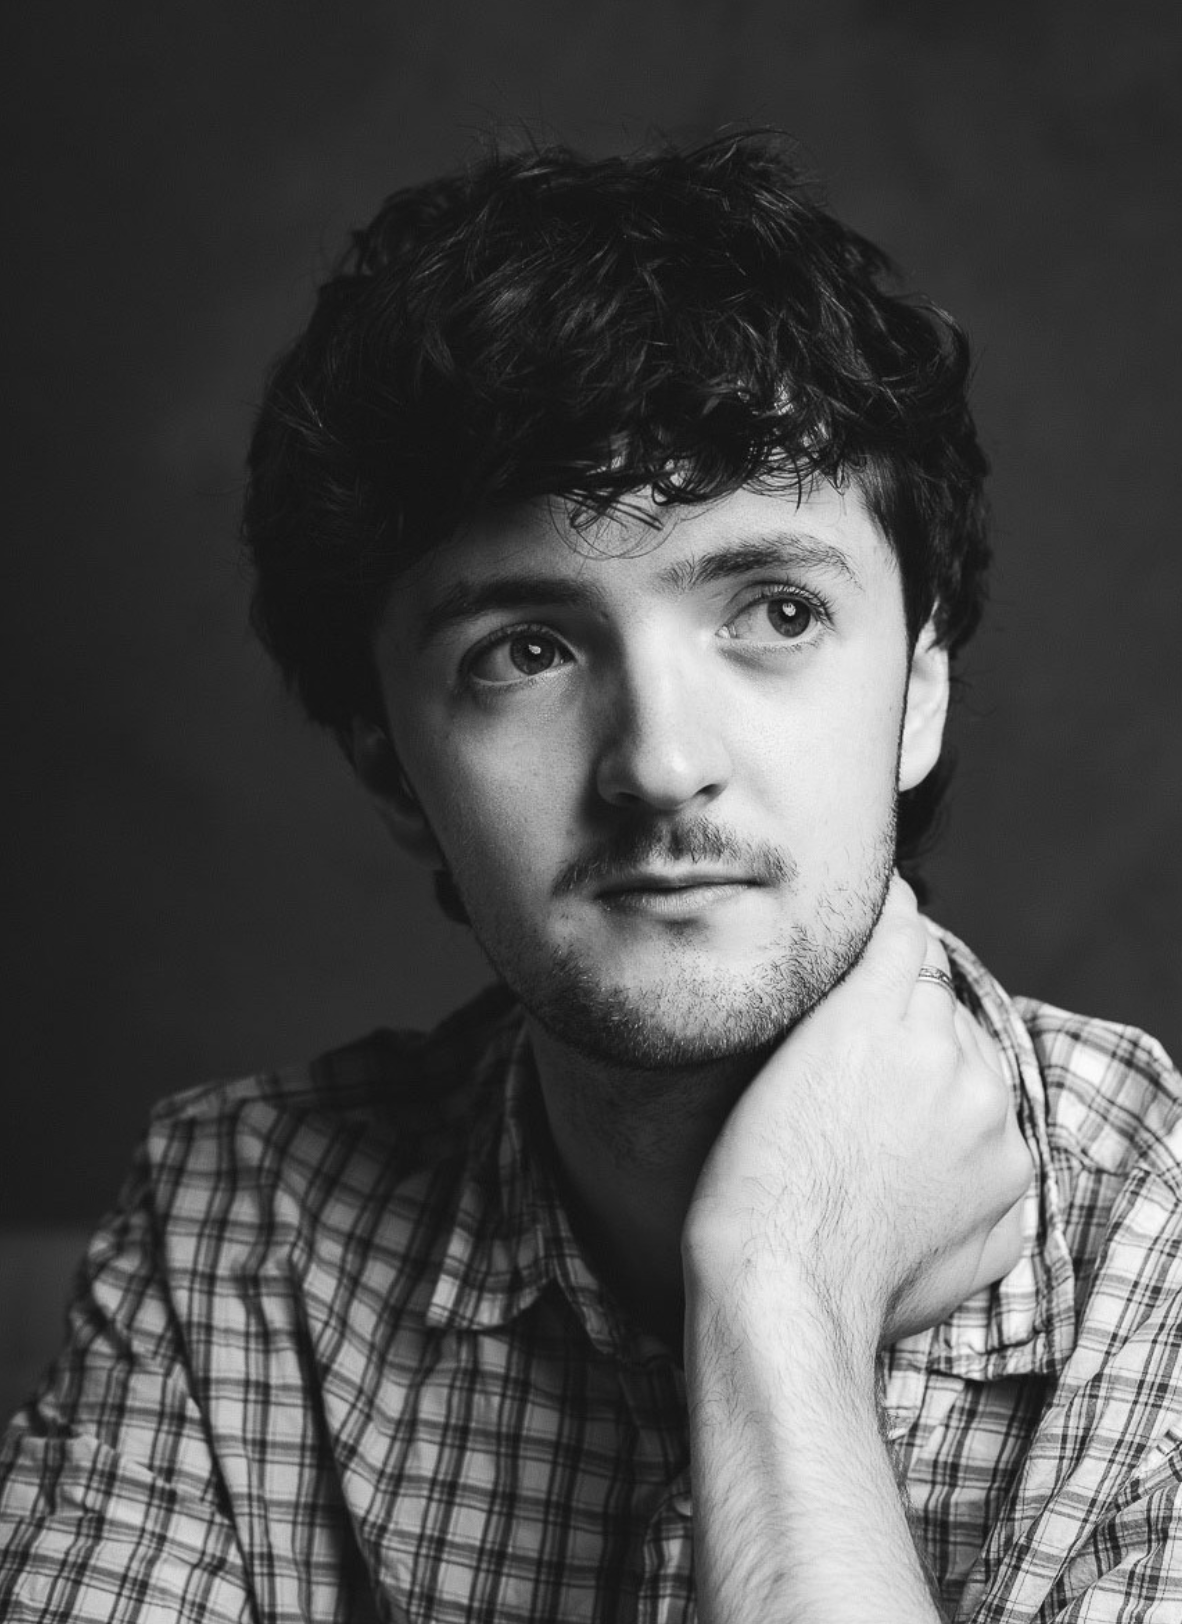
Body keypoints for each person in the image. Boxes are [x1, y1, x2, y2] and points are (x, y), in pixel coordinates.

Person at [2, 135, 1180, 1624]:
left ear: (921, 687)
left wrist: (775, 1308)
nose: (659, 761)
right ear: (389, 769)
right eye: (526, 652)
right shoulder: (239, 1230)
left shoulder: (1160, 1249)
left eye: (773, 608)